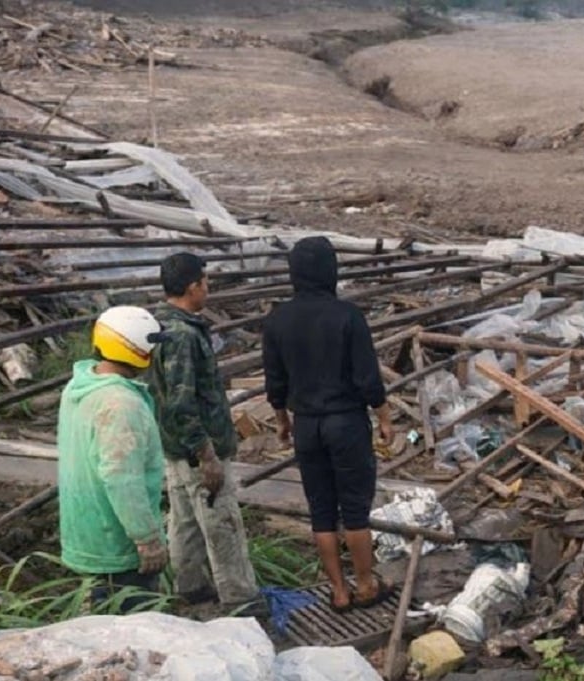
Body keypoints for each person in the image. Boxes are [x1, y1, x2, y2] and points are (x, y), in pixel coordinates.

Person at [262, 236, 394, 612]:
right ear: (330, 271)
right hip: (346, 422)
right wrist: (384, 416)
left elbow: (275, 380)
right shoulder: (347, 316)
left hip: (307, 425)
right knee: (354, 508)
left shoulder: (277, 319)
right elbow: (367, 376)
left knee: (321, 510)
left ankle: (338, 591)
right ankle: (366, 584)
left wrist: (282, 420)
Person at [148, 252, 262, 613]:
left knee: (184, 522)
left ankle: (191, 588)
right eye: (205, 282)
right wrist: (206, 453)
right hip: (197, 449)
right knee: (221, 523)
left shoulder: (161, 324)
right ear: (192, 286)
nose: (208, 288)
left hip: (174, 447)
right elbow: (182, 401)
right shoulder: (182, 335)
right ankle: (241, 600)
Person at [58, 306, 168, 612]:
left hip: (88, 532)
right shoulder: (121, 404)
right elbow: (121, 478)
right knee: (131, 637)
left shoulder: (79, 386)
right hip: (118, 543)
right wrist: (147, 538)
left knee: (97, 622)